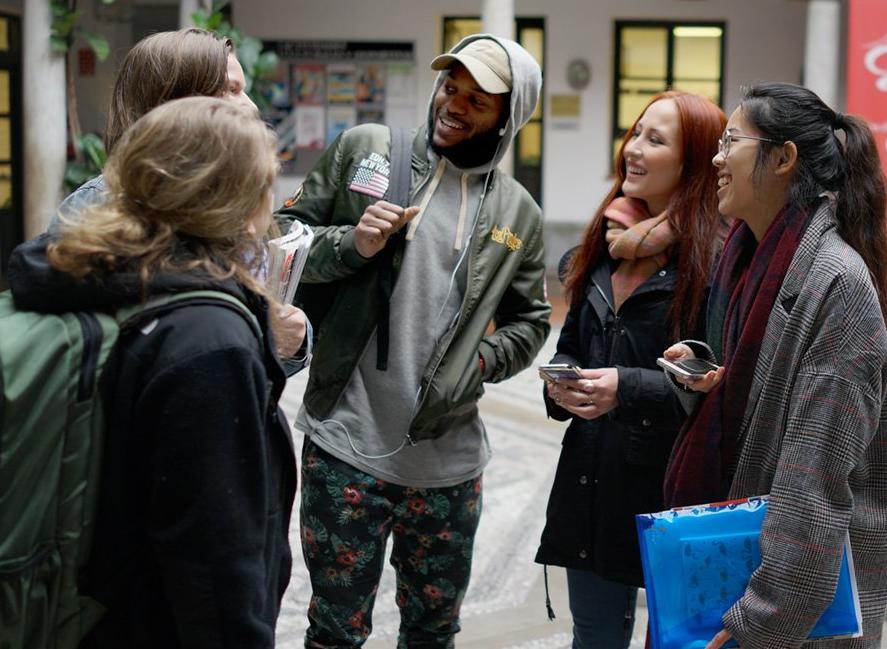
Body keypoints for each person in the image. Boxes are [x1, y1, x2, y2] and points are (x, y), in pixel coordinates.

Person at [276, 34, 550, 647]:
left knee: (432, 634)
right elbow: (286, 237)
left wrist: (479, 363)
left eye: (479, 100)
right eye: (451, 87)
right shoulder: (366, 149)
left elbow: (531, 322)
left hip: (447, 470)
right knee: (334, 632)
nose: (454, 104)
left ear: (510, 117)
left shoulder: (519, 215)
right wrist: (352, 243)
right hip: (345, 446)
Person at [8, 96, 296, 648]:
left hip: (89, 611)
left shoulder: (90, 269)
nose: (272, 198)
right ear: (227, 196)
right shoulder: (209, 339)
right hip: (149, 624)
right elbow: (214, 563)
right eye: (265, 181)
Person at [661, 82, 887, 648]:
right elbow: (759, 391)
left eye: (731, 141)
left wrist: (762, 620)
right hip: (746, 569)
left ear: (784, 159)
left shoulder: (836, 282)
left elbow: (817, 479)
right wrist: (707, 373)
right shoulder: (746, 257)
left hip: (803, 613)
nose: (716, 158)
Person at [534, 91, 728, 648]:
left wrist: (627, 388)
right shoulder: (607, 242)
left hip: (669, 485)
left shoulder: (713, 259)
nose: (633, 151)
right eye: (635, 133)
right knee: (593, 636)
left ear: (692, 162)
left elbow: (714, 386)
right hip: (590, 477)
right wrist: (563, 384)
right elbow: (570, 344)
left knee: (676, 636)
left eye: (655, 139)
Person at [48, 27, 309, 370]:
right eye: (231, 90)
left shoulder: (232, 202)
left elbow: (256, 356)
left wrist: (291, 341)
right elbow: (80, 360)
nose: (252, 106)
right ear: (175, 103)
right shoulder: (99, 208)